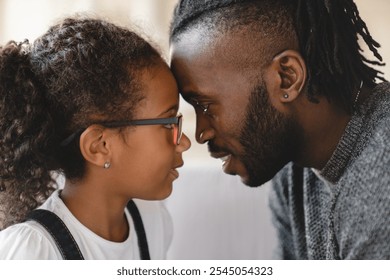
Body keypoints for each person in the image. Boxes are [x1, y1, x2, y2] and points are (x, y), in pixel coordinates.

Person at [169, 0, 390, 259]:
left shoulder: (380, 185)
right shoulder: (292, 165)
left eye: (205, 105)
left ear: (287, 78)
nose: (200, 133)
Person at [0, 17, 191, 259]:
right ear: (99, 146)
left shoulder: (152, 219)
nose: (184, 142)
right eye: (167, 123)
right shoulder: (31, 253)